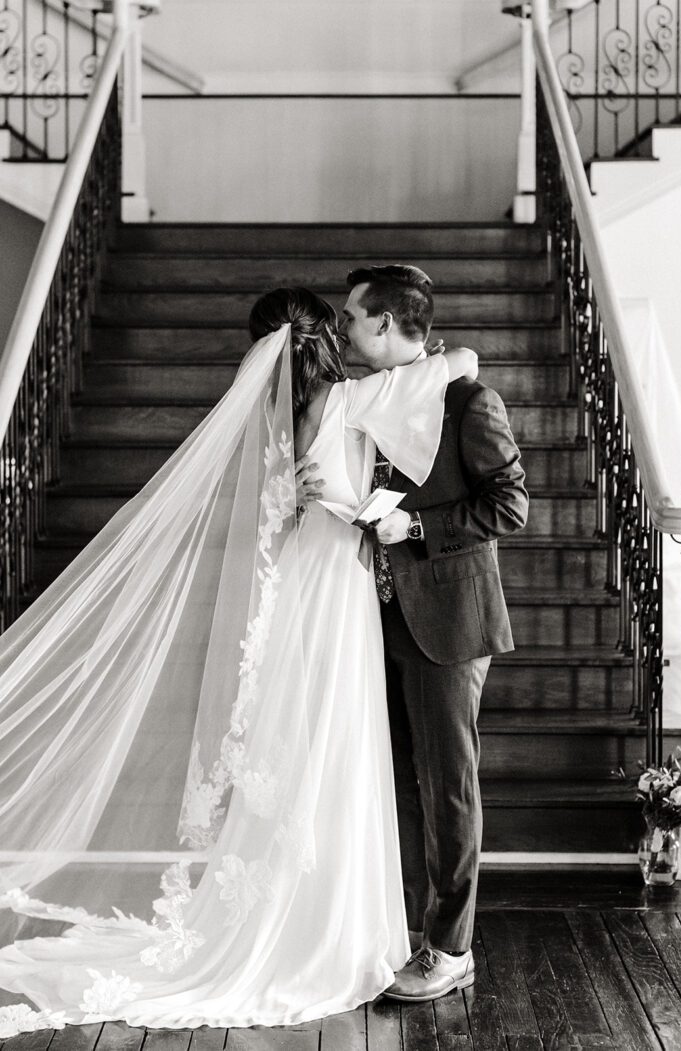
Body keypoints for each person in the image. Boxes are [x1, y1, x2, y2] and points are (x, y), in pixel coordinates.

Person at [0, 287, 478, 1038]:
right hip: (338, 591)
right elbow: (455, 364)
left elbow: (285, 505)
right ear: (325, 339)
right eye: (343, 322)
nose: (354, 332)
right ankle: (335, 923)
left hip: (302, 585)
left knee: (309, 743)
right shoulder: (353, 398)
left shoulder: (277, 413)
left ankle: (315, 910)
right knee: (336, 746)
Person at [338, 265, 528, 1003]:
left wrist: (414, 524)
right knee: (396, 783)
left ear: (386, 326)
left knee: (446, 784)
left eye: (355, 317)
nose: (346, 327)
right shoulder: (365, 400)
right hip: (375, 615)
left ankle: (451, 948)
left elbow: (508, 506)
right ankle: (405, 934)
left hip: (447, 618)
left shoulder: (466, 399)